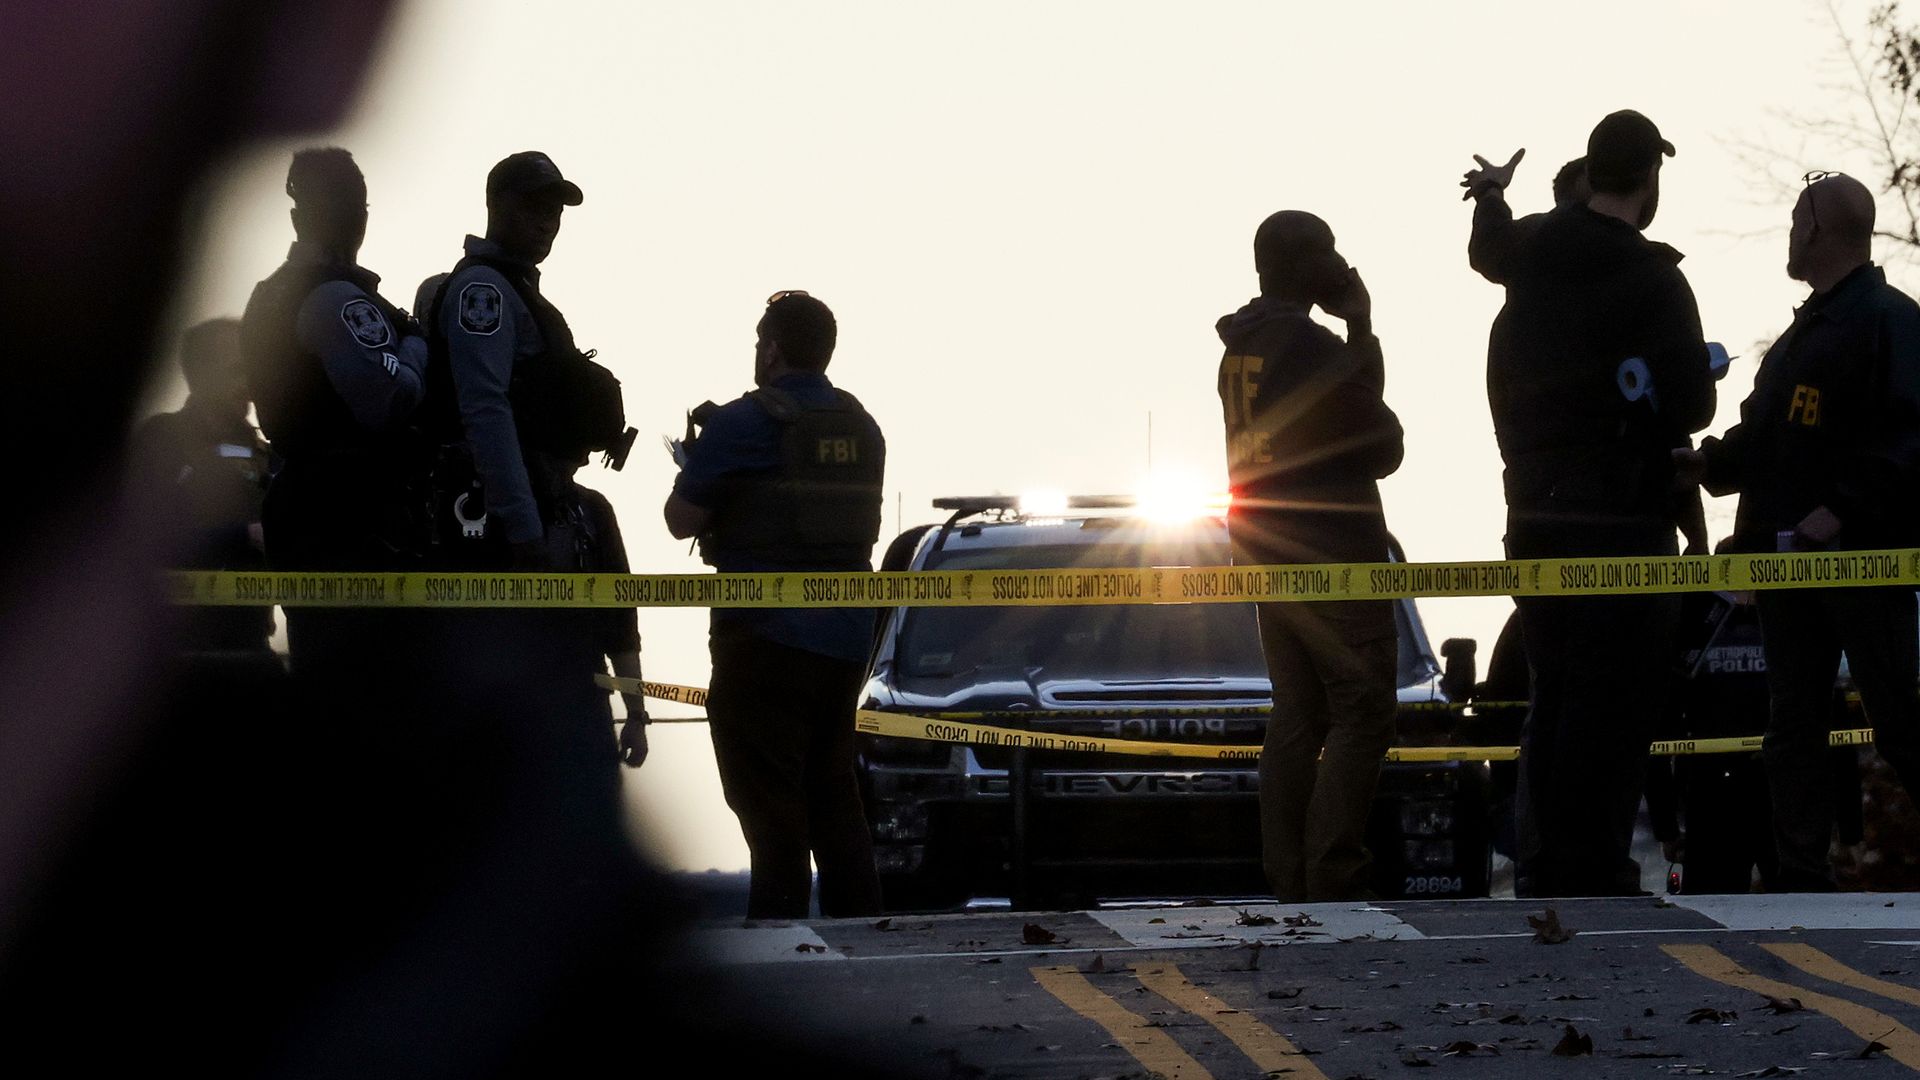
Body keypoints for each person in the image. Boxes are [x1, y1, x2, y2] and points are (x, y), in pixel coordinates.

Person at [1463, 110, 1716, 897]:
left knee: (1558, 687)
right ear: (1650, 177)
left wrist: (1492, 198)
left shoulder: (1534, 246)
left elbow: (1486, 250)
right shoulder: (1652, 277)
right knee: (1619, 699)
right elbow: (1693, 403)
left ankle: (1543, 861)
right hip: (1623, 519)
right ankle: (1598, 865)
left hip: (1534, 513)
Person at [1675, 170, 1920, 890]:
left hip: (1862, 560)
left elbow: (1914, 437)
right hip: (1788, 568)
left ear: (1814, 229)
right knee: (1793, 725)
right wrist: (1706, 463)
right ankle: (1801, 873)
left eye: (1793, 220)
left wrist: (1841, 509)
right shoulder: (1801, 337)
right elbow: (1764, 436)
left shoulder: (1891, 322)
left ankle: (1807, 865)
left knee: (1899, 720)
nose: (1789, 232)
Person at [664, 290, 885, 919]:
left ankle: (779, 938)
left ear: (773, 347)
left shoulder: (744, 421)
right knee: (834, 795)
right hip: (845, 641)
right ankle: (865, 938)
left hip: (763, 640)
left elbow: (681, 520)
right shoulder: (861, 423)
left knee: (767, 801)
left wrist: (698, 467)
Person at [1216, 211, 1406, 902]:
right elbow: (1382, 438)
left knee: (1298, 713)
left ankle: (1290, 875)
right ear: (1302, 265)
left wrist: (1354, 333)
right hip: (1329, 551)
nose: (1340, 263)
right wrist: (1359, 325)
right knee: (1363, 708)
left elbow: (1351, 407)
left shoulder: (1245, 345)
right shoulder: (1305, 344)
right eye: (1328, 252)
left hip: (1262, 546)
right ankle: (1333, 872)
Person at [240, 147, 430, 675]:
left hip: (304, 508)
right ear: (360, 217)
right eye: (352, 206)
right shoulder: (334, 298)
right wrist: (414, 345)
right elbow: (388, 399)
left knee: (325, 679)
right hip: (353, 514)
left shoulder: (267, 295)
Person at [423, 150, 630, 570]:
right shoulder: (484, 290)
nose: (547, 221)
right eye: (533, 206)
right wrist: (522, 525)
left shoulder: (516, 289)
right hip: (497, 522)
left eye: (554, 211)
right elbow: (485, 409)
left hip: (538, 499)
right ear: (496, 205)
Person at [129, 317, 274, 657]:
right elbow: (144, 538)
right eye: (235, 370)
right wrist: (242, 536)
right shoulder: (161, 439)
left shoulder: (264, 451)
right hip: (172, 653)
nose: (248, 383)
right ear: (202, 374)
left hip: (249, 646)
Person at [1464, 152, 1590, 286]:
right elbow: (1490, 247)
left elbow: (1489, 247)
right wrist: (1491, 188)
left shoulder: (1542, 234)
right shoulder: (1552, 234)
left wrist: (1490, 189)